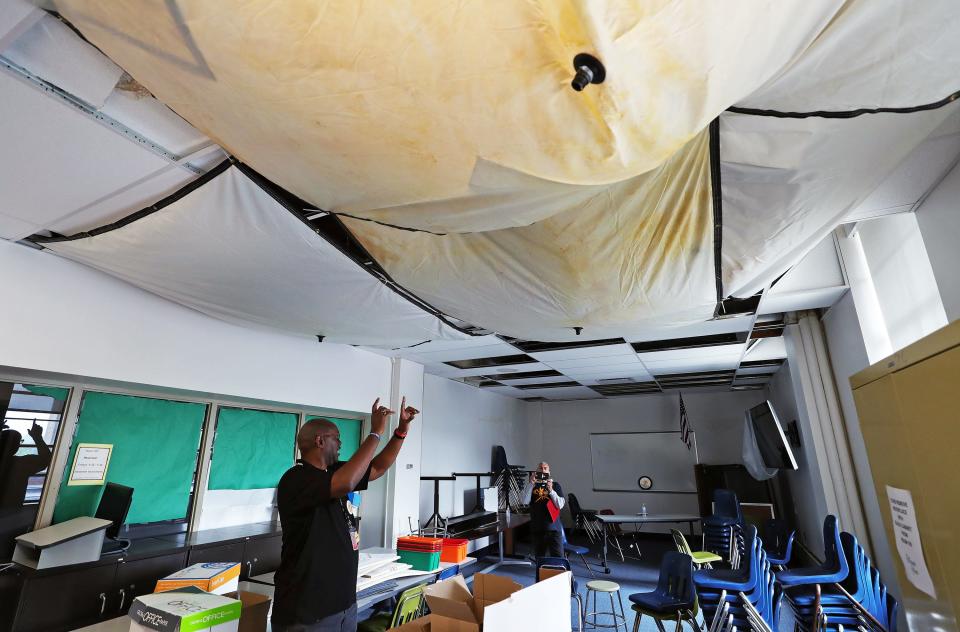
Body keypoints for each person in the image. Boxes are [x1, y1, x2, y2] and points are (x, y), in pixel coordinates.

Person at [272, 396, 419, 632]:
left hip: (343, 605)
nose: (340, 444)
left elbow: (379, 467)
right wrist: (375, 433)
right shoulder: (296, 478)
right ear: (320, 441)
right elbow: (347, 482)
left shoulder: (334, 471)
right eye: (337, 438)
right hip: (308, 612)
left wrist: (400, 432)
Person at [0, 422, 51, 510]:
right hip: (9, 513)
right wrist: (37, 437)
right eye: (19, 441)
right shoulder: (20, 464)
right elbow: (46, 459)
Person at [521, 461, 565, 558]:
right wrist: (530, 484)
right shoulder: (531, 486)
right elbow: (524, 502)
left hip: (554, 528)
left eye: (545, 468)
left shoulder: (555, 485)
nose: (543, 470)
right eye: (540, 468)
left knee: (558, 558)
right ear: (536, 472)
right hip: (538, 528)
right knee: (540, 559)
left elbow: (560, 505)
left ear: (549, 473)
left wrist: (551, 491)